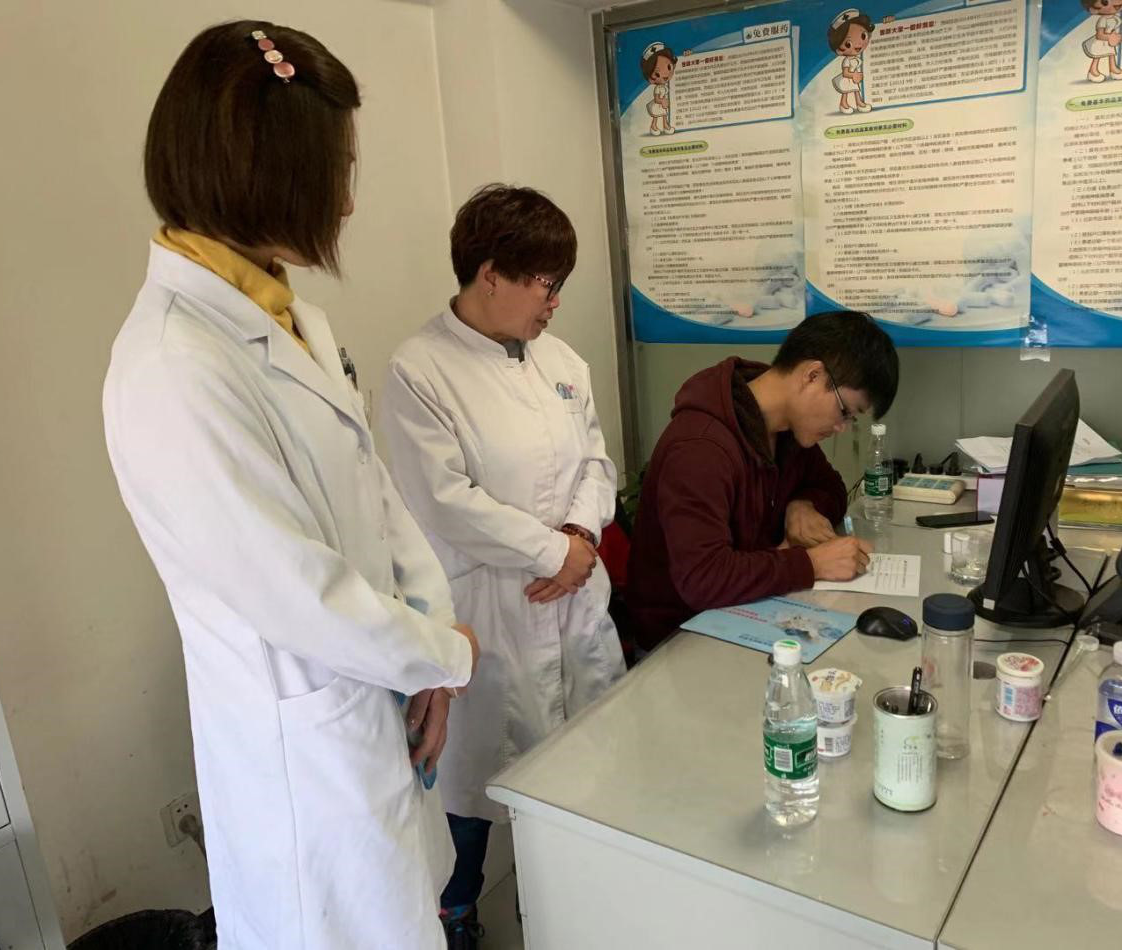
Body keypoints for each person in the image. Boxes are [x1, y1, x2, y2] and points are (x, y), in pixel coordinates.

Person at [102, 22, 478, 949]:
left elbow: (375, 493)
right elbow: (293, 590)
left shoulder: (290, 315)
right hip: (307, 769)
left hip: (377, 711)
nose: (346, 201)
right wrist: (440, 654)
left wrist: (432, 655)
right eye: (334, 171)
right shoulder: (172, 363)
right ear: (262, 173)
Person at [382, 184, 626, 947]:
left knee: (586, 766)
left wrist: (579, 537)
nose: (554, 302)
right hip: (489, 609)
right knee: (475, 786)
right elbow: (446, 500)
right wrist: (557, 553)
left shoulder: (562, 361)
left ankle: (578, 907)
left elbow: (596, 461)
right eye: (545, 284)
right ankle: (457, 911)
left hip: (571, 599)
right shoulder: (419, 369)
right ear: (490, 274)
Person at [627, 311, 900, 651]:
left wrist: (802, 505)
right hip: (680, 642)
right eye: (845, 411)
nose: (841, 427)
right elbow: (703, 577)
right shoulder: (700, 447)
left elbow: (831, 487)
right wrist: (813, 563)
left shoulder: (787, 431)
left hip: (749, 613)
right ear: (812, 375)